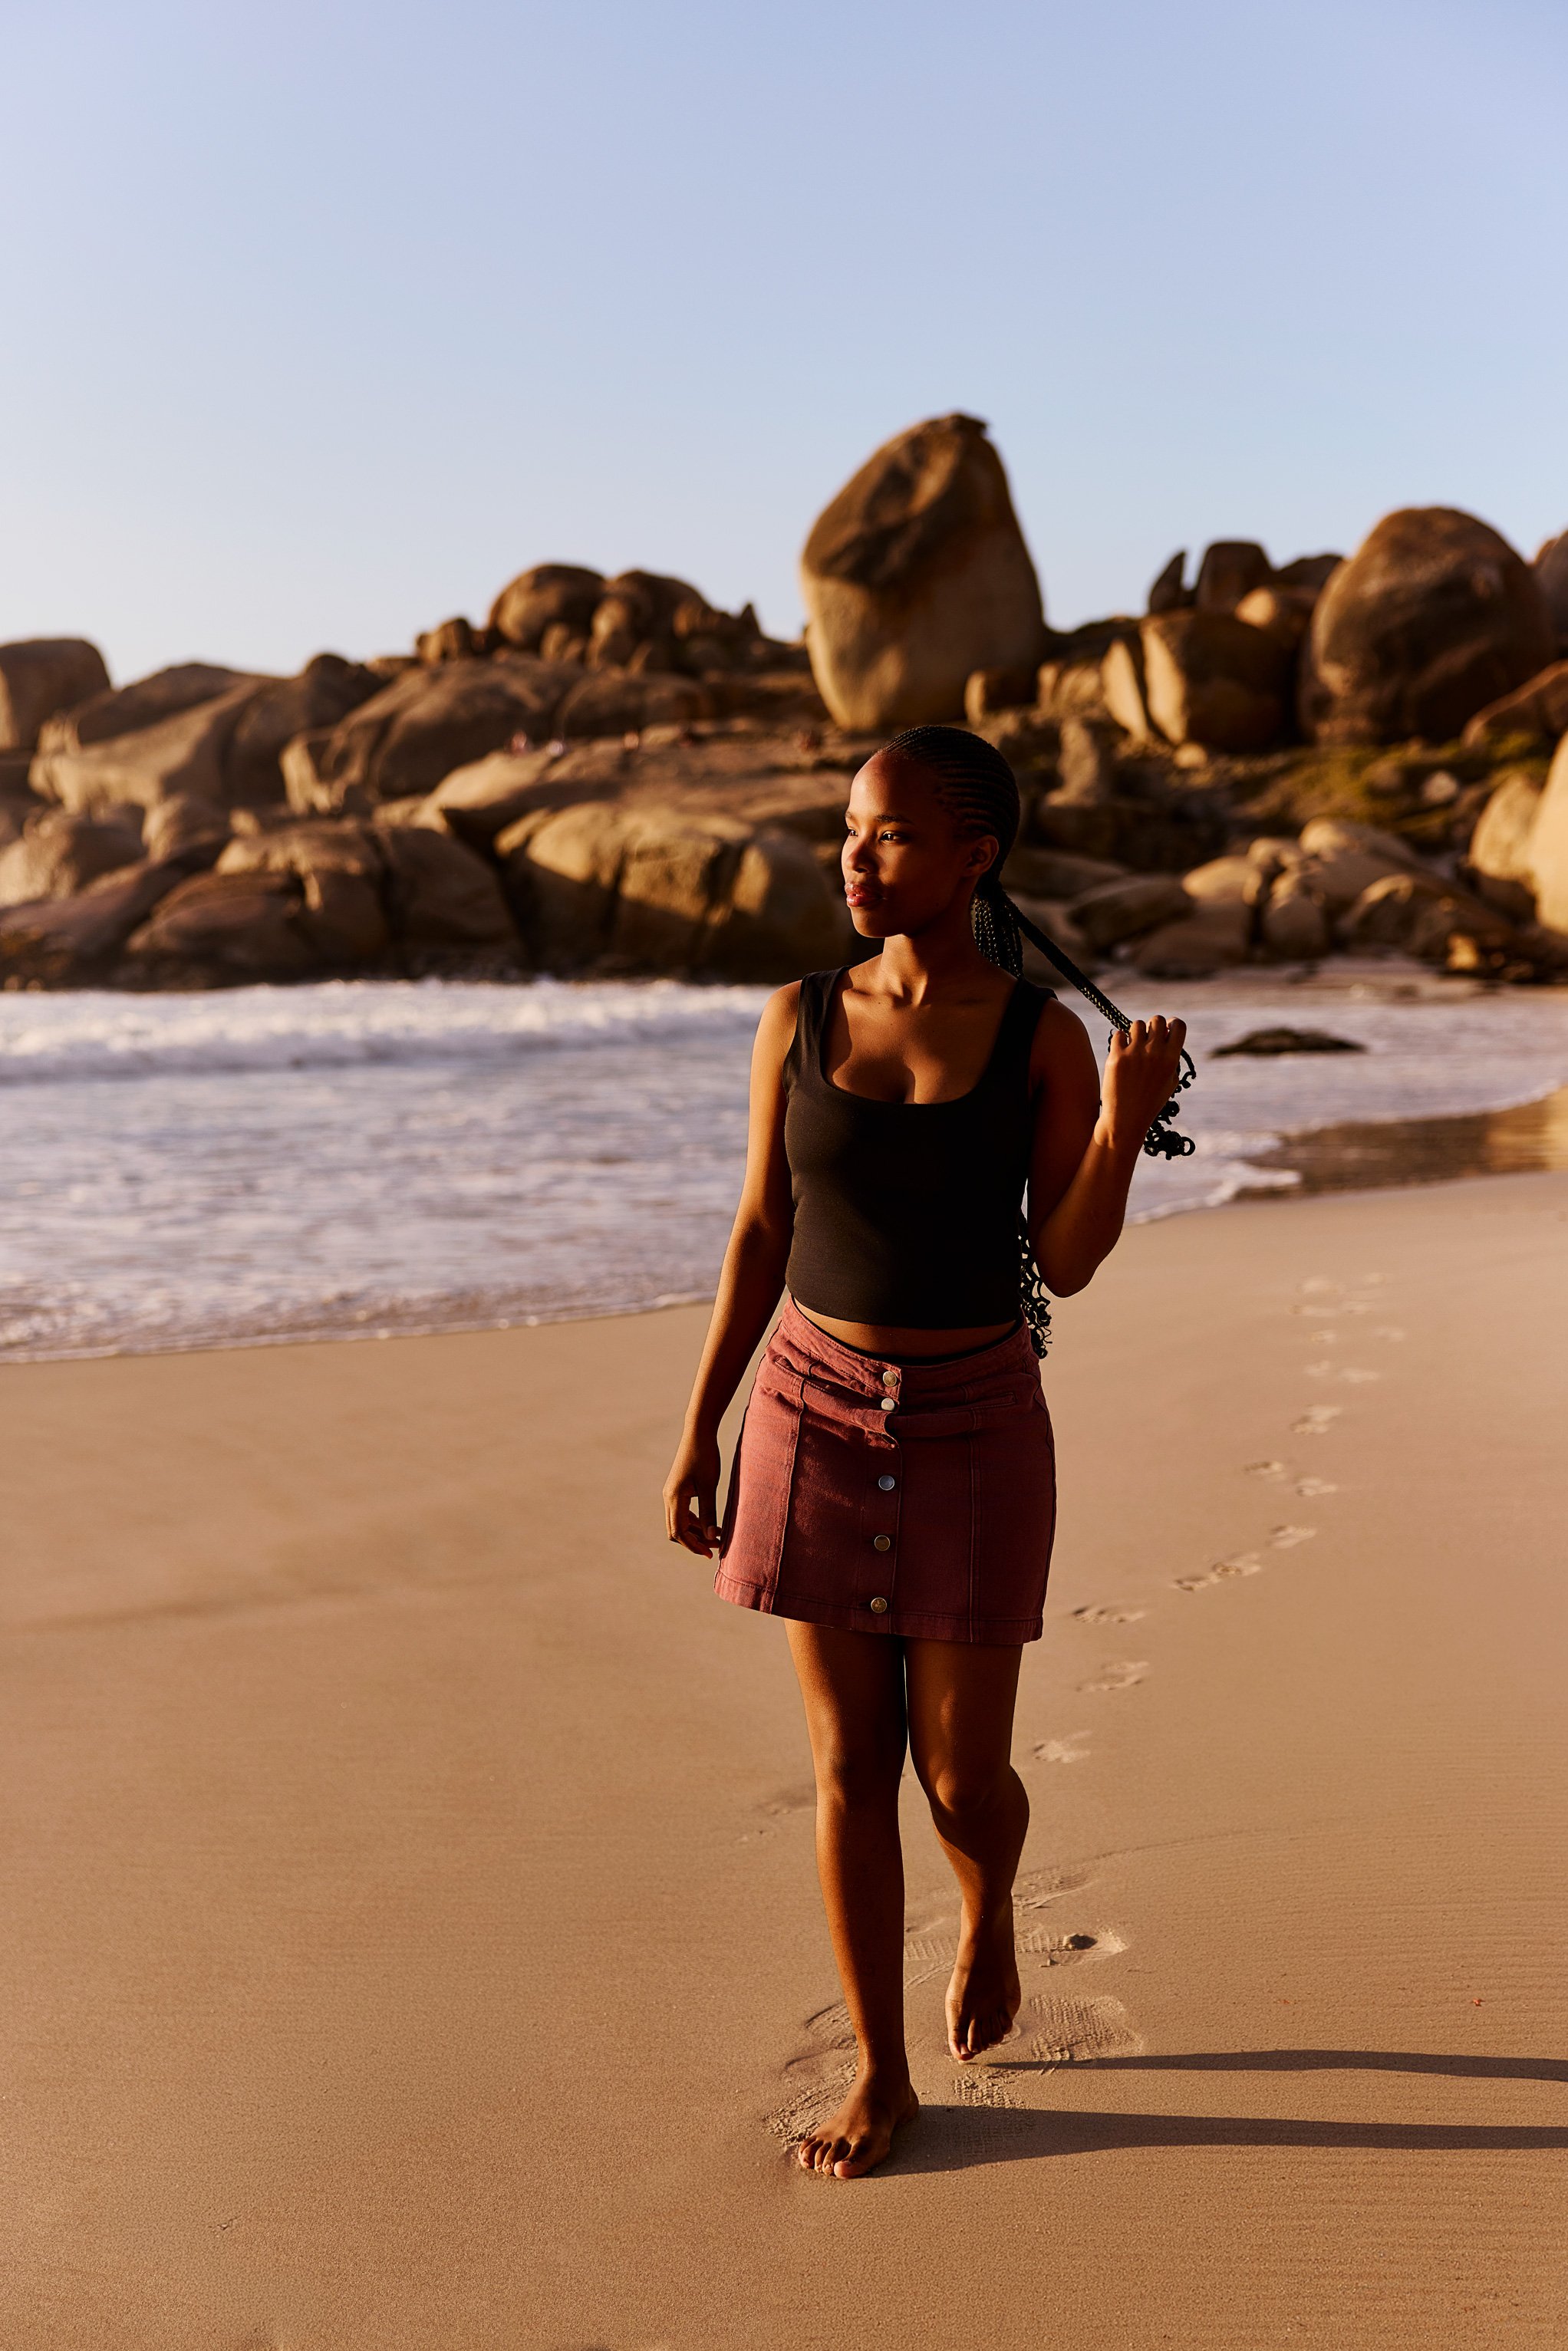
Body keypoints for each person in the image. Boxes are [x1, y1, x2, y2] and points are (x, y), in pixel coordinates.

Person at [663, 724, 1188, 2181]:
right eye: (849, 827)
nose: (855, 852)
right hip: (810, 1409)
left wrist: (1125, 1131)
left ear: (976, 856)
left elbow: (1066, 1261)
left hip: (973, 1423)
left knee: (961, 1778)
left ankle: (990, 1905)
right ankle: (880, 2075)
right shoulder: (795, 1014)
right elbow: (761, 1231)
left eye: (890, 833)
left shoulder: (1041, 1035)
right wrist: (699, 1424)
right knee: (848, 1767)